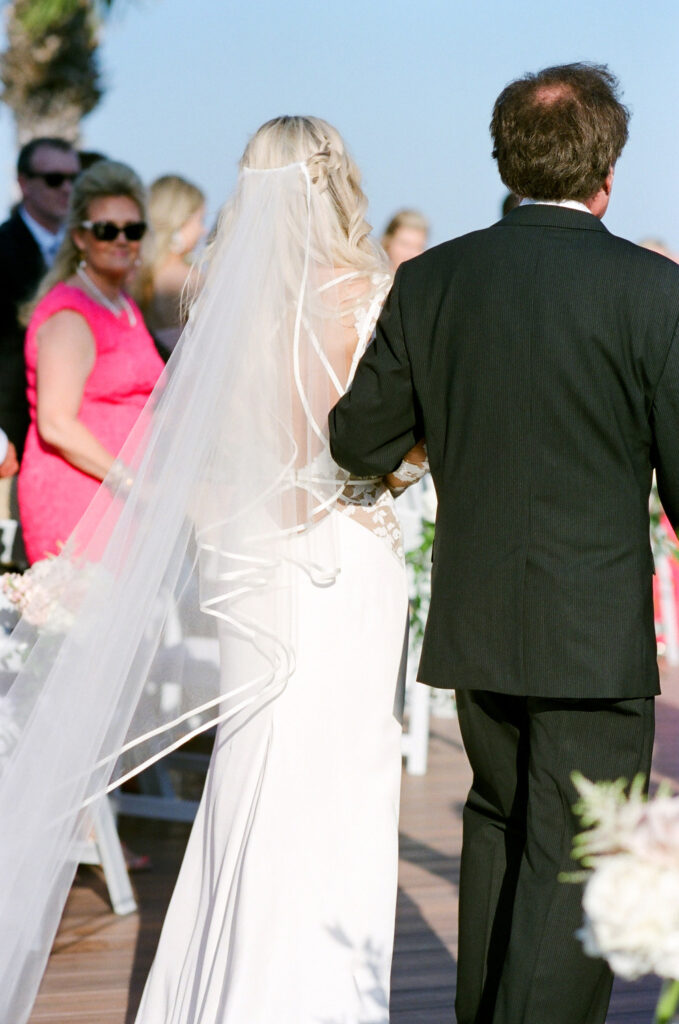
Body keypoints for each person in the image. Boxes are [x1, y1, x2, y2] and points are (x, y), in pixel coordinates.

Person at [0, 116, 423, 1024]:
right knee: (337, 779)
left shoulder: (222, 301)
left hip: (253, 560)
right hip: (341, 560)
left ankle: (221, 992)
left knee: (253, 775)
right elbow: (376, 440)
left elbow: (222, 453)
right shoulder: (366, 294)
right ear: (336, 181)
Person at [330, 62, 679, 1024]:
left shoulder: (433, 280)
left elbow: (357, 438)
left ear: (502, 158)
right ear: (606, 166)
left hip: (478, 615)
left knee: (498, 823)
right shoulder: (656, 292)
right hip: (590, 630)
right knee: (577, 853)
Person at [18, 160, 165, 564]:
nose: (122, 240)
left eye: (132, 229)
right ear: (81, 237)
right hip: (82, 496)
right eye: (106, 229)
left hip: (125, 495)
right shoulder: (70, 314)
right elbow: (56, 422)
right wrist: (133, 483)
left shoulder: (123, 304)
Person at [0, 138, 80, 559]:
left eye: (73, 178)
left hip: (79, 443)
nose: (67, 188)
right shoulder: (2, 250)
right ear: (24, 183)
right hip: (12, 443)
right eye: (54, 178)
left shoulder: (87, 253)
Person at [135, 174, 206, 359]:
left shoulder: (133, 274)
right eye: (199, 220)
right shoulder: (189, 280)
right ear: (179, 222)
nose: (202, 230)